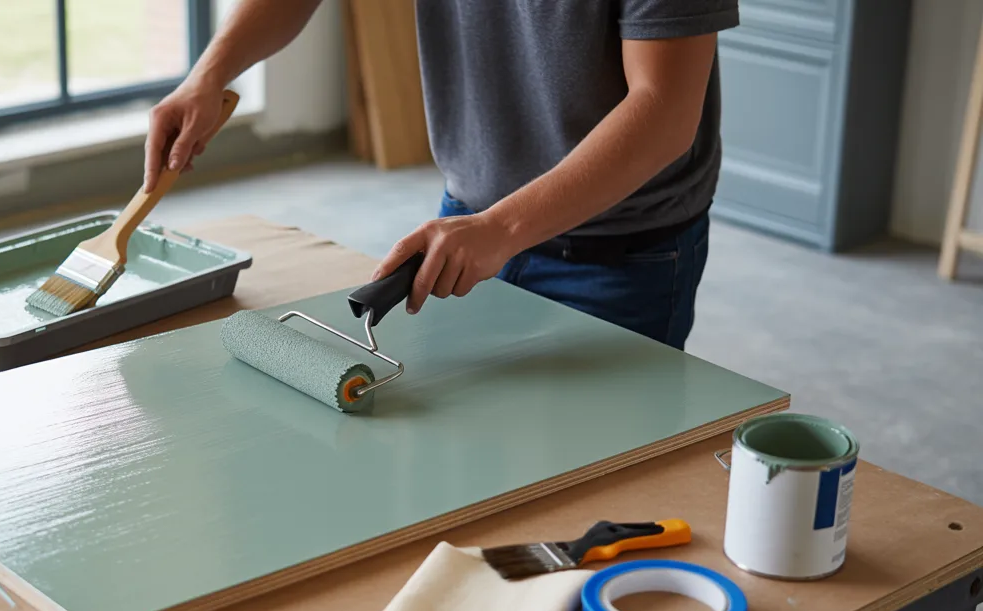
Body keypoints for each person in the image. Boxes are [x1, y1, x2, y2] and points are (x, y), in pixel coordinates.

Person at [143, 1, 739, 350]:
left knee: (597, 473)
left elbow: (663, 111)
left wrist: (498, 229)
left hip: (619, 253)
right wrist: (208, 75)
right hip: (472, 218)